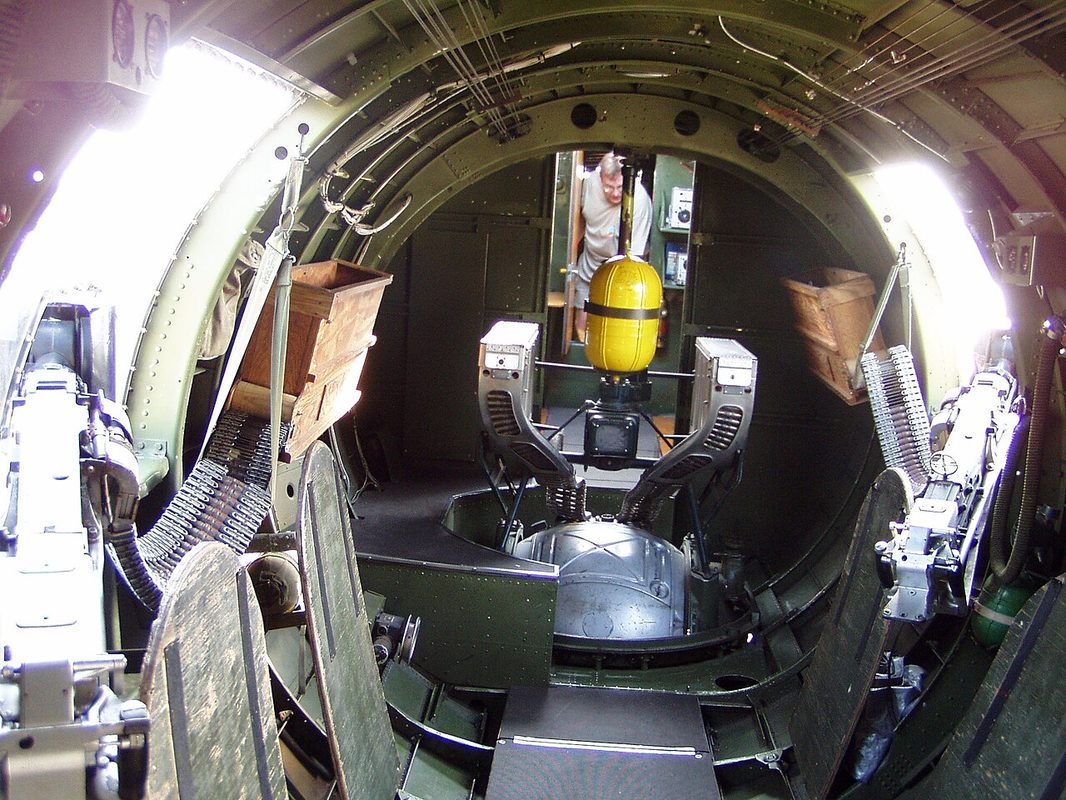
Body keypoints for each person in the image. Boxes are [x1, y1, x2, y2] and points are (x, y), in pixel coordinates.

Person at [572, 152, 653, 341]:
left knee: (613, 331)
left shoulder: (639, 202)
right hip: (589, 266)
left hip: (619, 274)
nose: (616, 193)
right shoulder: (589, 184)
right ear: (600, 178)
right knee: (582, 325)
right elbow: (580, 222)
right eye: (609, 187)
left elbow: (635, 258)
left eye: (620, 186)